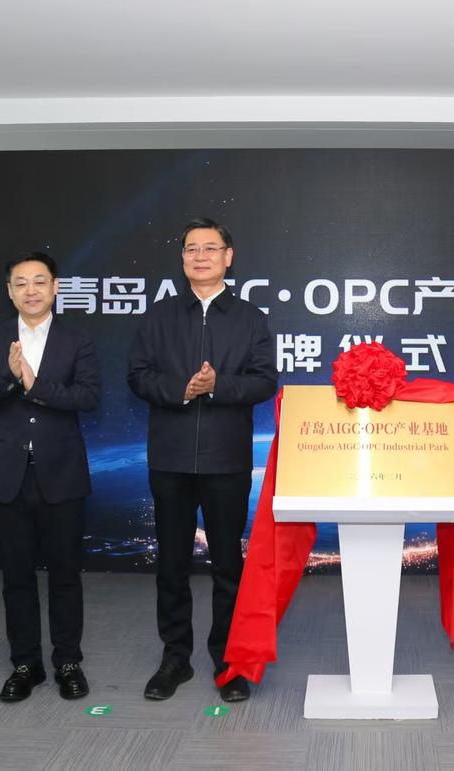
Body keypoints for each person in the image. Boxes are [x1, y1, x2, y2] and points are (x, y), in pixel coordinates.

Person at [128, 217, 277, 704]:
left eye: (210, 248)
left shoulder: (251, 318)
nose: (200, 256)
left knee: (227, 565)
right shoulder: (159, 316)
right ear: (182, 258)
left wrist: (217, 387)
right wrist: (181, 389)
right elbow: (137, 375)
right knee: (171, 564)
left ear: (228, 257)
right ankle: (175, 657)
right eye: (191, 248)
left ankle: (228, 661)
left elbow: (264, 380)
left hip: (225, 458)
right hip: (170, 458)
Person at [0, 251, 100, 702]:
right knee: (16, 577)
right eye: (20, 283)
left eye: (40, 281)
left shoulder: (78, 340)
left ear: (55, 287)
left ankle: (68, 662)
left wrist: (35, 386)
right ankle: (26, 664)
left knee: (65, 576)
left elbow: (88, 397)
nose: (31, 290)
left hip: (62, 473)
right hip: (8, 475)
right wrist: (8, 377)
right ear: (9, 291)